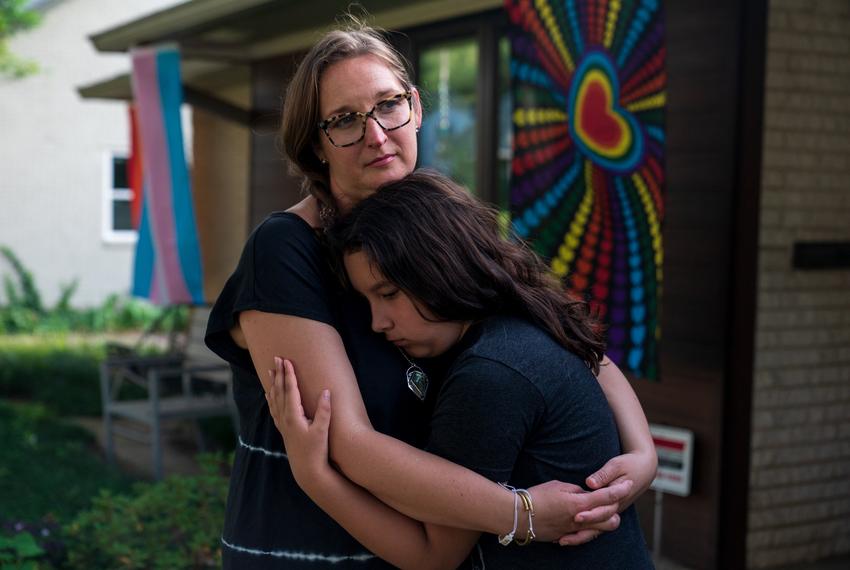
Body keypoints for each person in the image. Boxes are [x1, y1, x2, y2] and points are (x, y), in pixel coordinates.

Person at [205, 21, 656, 569]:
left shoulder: (433, 221)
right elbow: (343, 439)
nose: (376, 135)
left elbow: (558, 325)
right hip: (307, 545)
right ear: (315, 145)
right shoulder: (286, 250)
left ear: (415, 108)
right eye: (344, 120)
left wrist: (641, 454)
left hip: (418, 546)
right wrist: (519, 514)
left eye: (388, 105)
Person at [266, 169, 655, 569]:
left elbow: (433, 555)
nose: (377, 322)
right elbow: (601, 363)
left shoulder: (491, 374)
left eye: (388, 294)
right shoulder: (527, 330)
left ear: (439, 267)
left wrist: (315, 477)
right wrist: (645, 453)